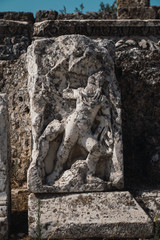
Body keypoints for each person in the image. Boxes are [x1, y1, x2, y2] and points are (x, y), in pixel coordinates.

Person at [47, 72, 113, 185]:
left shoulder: (102, 100)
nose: (92, 88)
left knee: (95, 148)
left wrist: (102, 122)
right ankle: (56, 172)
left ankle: (90, 174)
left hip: (85, 131)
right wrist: (67, 87)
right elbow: (65, 94)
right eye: (92, 83)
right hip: (74, 124)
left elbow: (107, 116)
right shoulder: (80, 93)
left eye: (95, 84)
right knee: (66, 145)